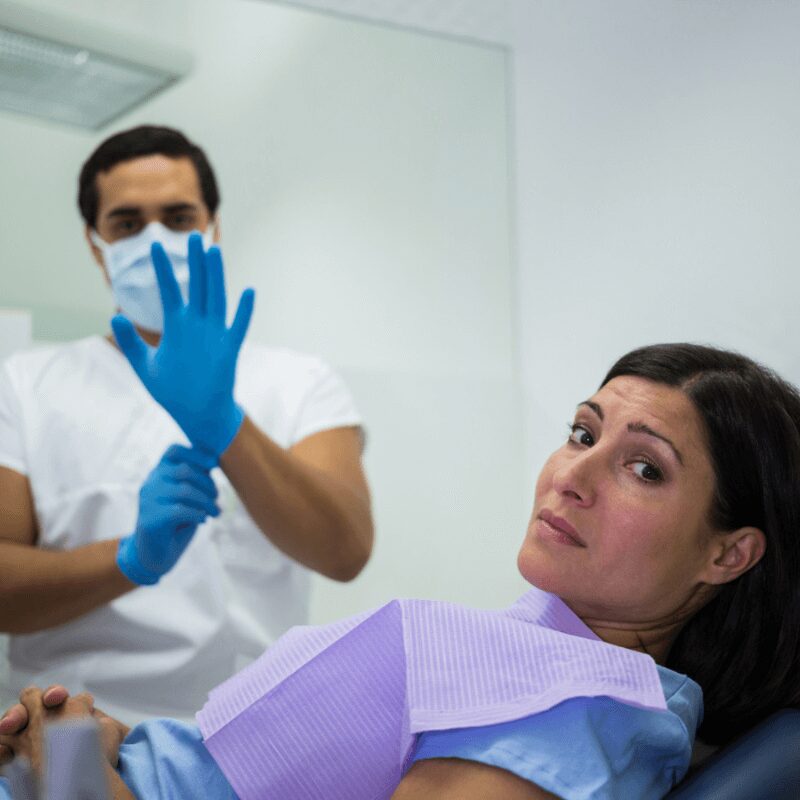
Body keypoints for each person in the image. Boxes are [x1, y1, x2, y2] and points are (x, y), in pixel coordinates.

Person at [2, 342, 800, 799]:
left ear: (728, 553)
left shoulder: (578, 711)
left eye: (645, 469)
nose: (573, 476)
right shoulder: (542, 664)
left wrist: (67, 773)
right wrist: (117, 745)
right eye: (583, 434)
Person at [0, 125, 374, 726]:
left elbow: (346, 551)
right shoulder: (22, 384)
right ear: (96, 244)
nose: (155, 239)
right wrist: (130, 559)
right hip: (74, 736)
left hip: (257, 735)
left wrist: (223, 423)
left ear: (213, 226)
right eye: (126, 223)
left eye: (178, 218)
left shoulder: (300, 380)